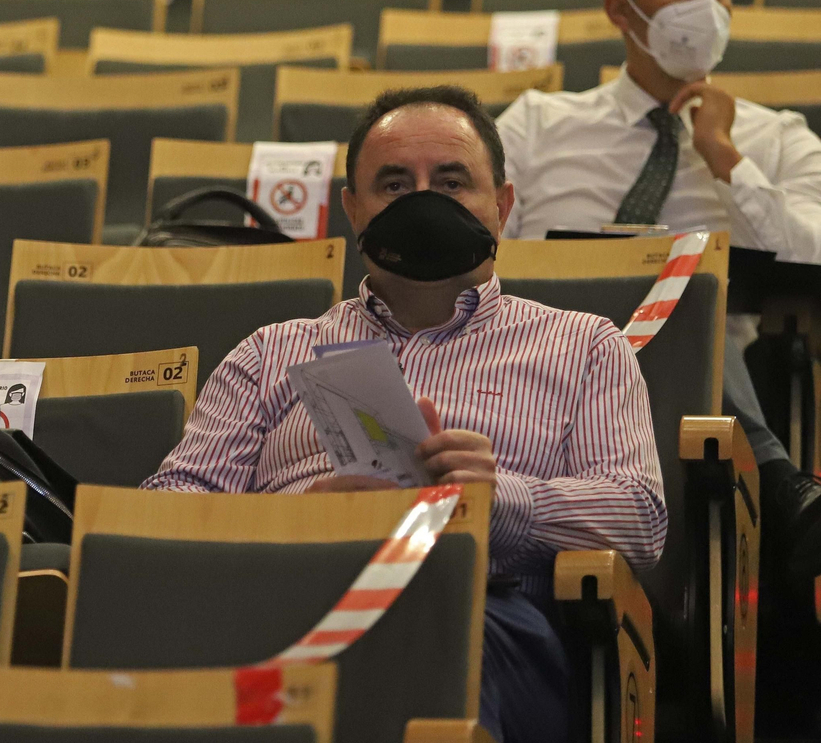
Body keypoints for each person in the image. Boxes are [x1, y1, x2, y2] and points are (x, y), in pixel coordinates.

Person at [145, 85, 666, 743]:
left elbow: (640, 518)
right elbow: (166, 504)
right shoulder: (270, 351)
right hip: (284, 601)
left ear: (502, 206)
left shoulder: (585, 345)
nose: (422, 202)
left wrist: (498, 500)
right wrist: (305, 516)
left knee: (430, 601)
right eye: (395, 184)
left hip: (487, 613)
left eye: (451, 181)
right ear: (353, 209)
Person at [495, 0, 821, 579]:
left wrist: (727, 159)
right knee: (661, 271)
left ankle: (767, 485)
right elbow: (485, 256)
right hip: (543, 372)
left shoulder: (778, 139)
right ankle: (779, 480)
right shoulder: (535, 125)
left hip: (702, 379)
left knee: (689, 285)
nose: (705, 2)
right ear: (622, 9)